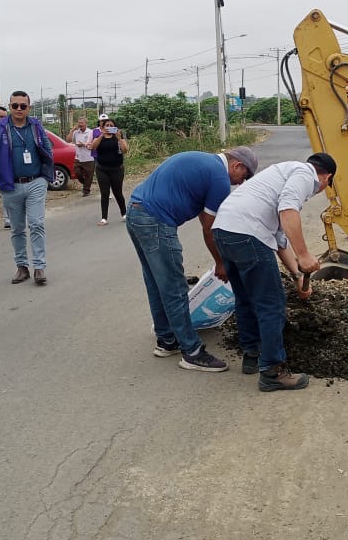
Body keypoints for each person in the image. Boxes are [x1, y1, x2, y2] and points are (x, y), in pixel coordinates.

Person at [126, 147, 259, 372]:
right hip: (156, 220)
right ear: (237, 165)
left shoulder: (204, 162)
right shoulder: (219, 178)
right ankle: (192, 352)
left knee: (157, 283)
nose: (240, 183)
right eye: (243, 176)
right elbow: (210, 229)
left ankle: (167, 340)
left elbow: (204, 215)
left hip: (136, 212)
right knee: (175, 288)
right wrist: (221, 263)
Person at [211, 152, 335, 392]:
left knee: (245, 298)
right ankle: (272, 372)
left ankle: (251, 354)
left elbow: (279, 240)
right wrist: (304, 254)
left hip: (223, 231)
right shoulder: (305, 174)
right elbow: (288, 210)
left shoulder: (279, 174)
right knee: (271, 304)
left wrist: (297, 276)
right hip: (248, 233)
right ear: (326, 178)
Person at [0, 90, 54, 286]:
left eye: (23, 106)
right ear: (10, 107)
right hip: (10, 185)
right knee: (17, 228)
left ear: (29, 107)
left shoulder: (36, 126)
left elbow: (47, 149)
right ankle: (22, 266)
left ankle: (39, 267)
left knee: (36, 223)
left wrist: (47, 174)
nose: (19, 109)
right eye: (15, 105)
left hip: (36, 182)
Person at [90, 116, 128, 226]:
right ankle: (104, 218)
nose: (109, 127)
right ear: (102, 127)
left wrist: (119, 138)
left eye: (112, 126)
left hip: (117, 169)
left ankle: (124, 214)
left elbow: (125, 150)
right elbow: (93, 147)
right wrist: (101, 135)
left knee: (118, 192)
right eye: (107, 125)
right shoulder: (99, 137)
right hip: (102, 169)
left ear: (115, 127)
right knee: (105, 193)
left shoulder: (118, 136)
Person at [67, 116, 95, 196]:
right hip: (78, 158)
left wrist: (83, 145)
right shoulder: (76, 132)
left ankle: (86, 190)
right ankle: (86, 183)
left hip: (89, 157)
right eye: (79, 123)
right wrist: (72, 130)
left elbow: (93, 144)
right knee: (77, 173)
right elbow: (68, 140)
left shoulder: (91, 132)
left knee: (89, 176)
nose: (80, 124)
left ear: (86, 123)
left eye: (82, 123)